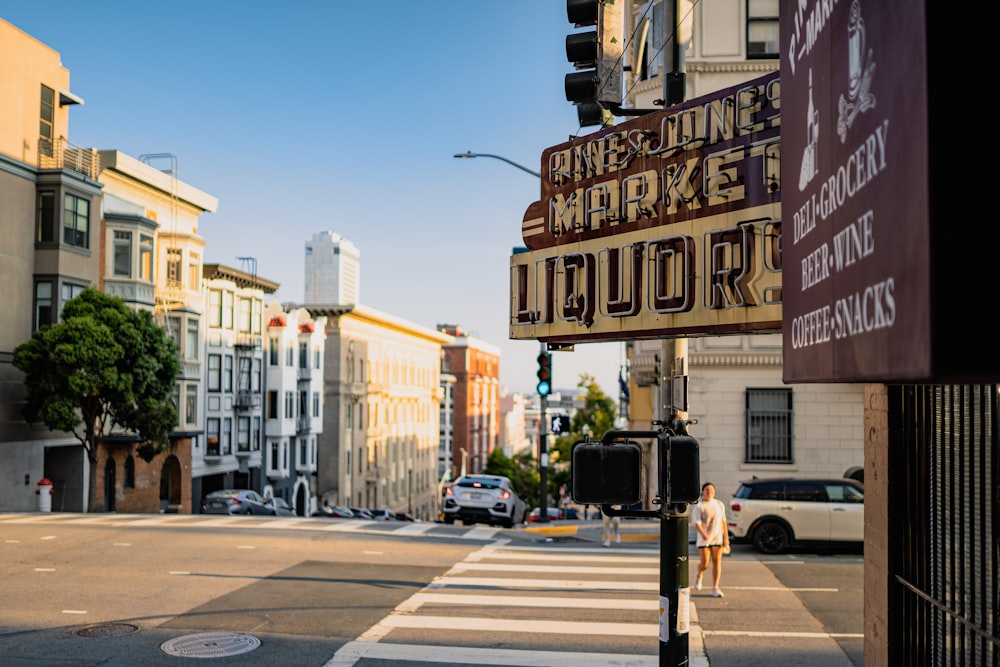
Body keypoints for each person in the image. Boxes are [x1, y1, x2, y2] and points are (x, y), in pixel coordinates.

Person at [690, 482, 730, 597]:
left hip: (718, 538)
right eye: (707, 490)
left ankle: (715, 587)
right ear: (702, 492)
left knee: (717, 562)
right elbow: (696, 523)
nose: (710, 492)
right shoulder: (699, 506)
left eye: (712, 490)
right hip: (704, 539)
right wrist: (703, 534)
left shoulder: (719, 504)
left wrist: (726, 538)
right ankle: (699, 573)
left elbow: (723, 522)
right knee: (705, 563)